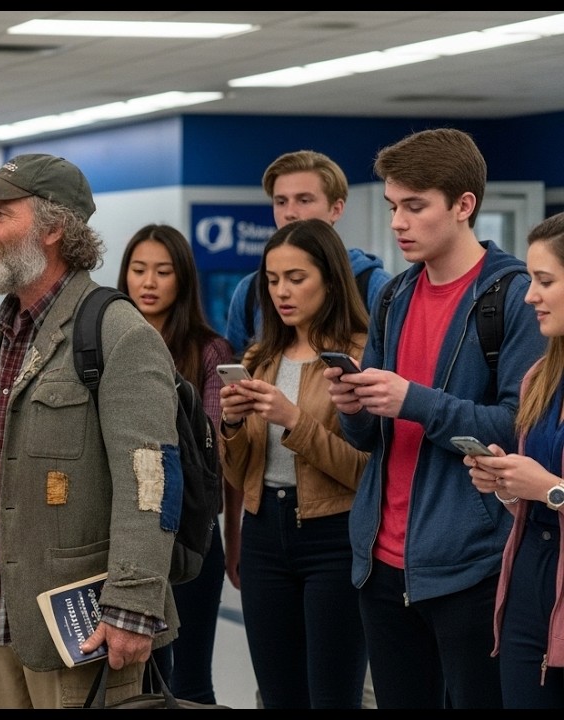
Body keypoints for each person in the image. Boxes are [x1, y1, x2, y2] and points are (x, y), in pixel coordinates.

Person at [0, 153, 181, 709]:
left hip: (79, 633)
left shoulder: (116, 332)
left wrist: (132, 604)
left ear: (55, 228)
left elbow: (150, 483)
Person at [326, 127, 544, 709]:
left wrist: (412, 400)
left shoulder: (515, 297)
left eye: (415, 206)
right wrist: (353, 407)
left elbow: (518, 431)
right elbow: (373, 436)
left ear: (464, 205)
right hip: (380, 562)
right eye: (395, 206)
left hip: (469, 567)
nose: (398, 221)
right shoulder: (393, 294)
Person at [217, 218, 370, 708]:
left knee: (332, 695)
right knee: (278, 695)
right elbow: (240, 474)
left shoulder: (359, 356)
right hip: (265, 535)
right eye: (272, 279)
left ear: (330, 278)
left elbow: (365, 472)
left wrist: (293, 421)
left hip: (334, 536)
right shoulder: (262, 355)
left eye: (296, 279)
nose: (282, 291)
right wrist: (232, 426)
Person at [115, 223, 240, 705]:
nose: (148, 282)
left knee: (189, 678)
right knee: (137, 677)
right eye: (139, 269)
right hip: (123, 531)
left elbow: (211, 449)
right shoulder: (107, 342)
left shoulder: (209, 350)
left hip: (189, 532)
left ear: (183, 279)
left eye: (163, 272)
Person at [464, 212, 564, 709]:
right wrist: (508, 483)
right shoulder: (540, 378)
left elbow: (552, 489)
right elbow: (538, 495)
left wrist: (549, 488)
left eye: (545, 281)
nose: (529, 296)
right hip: (529, 577)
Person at [224, 149, 391, 356]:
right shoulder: (251, 290)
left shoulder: (375, 286)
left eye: (304, 200)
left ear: (336, 209)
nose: (290, 213)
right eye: (281, 202)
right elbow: (236, 369)